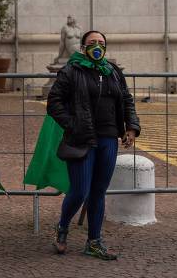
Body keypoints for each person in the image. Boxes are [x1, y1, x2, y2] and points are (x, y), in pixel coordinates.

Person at [47, 30, 140, 260]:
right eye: (92, 43)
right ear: (82, 47)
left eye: (101, 43)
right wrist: (72, 125)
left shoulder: (114, 72)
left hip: (109, 138)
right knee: (80, 191)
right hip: (82, 138)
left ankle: (94, 242)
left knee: (98, 192)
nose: (97, 46)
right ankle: (62, 227)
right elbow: (54, 102)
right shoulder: (71, 70)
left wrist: (131, 127)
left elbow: (127, 99)